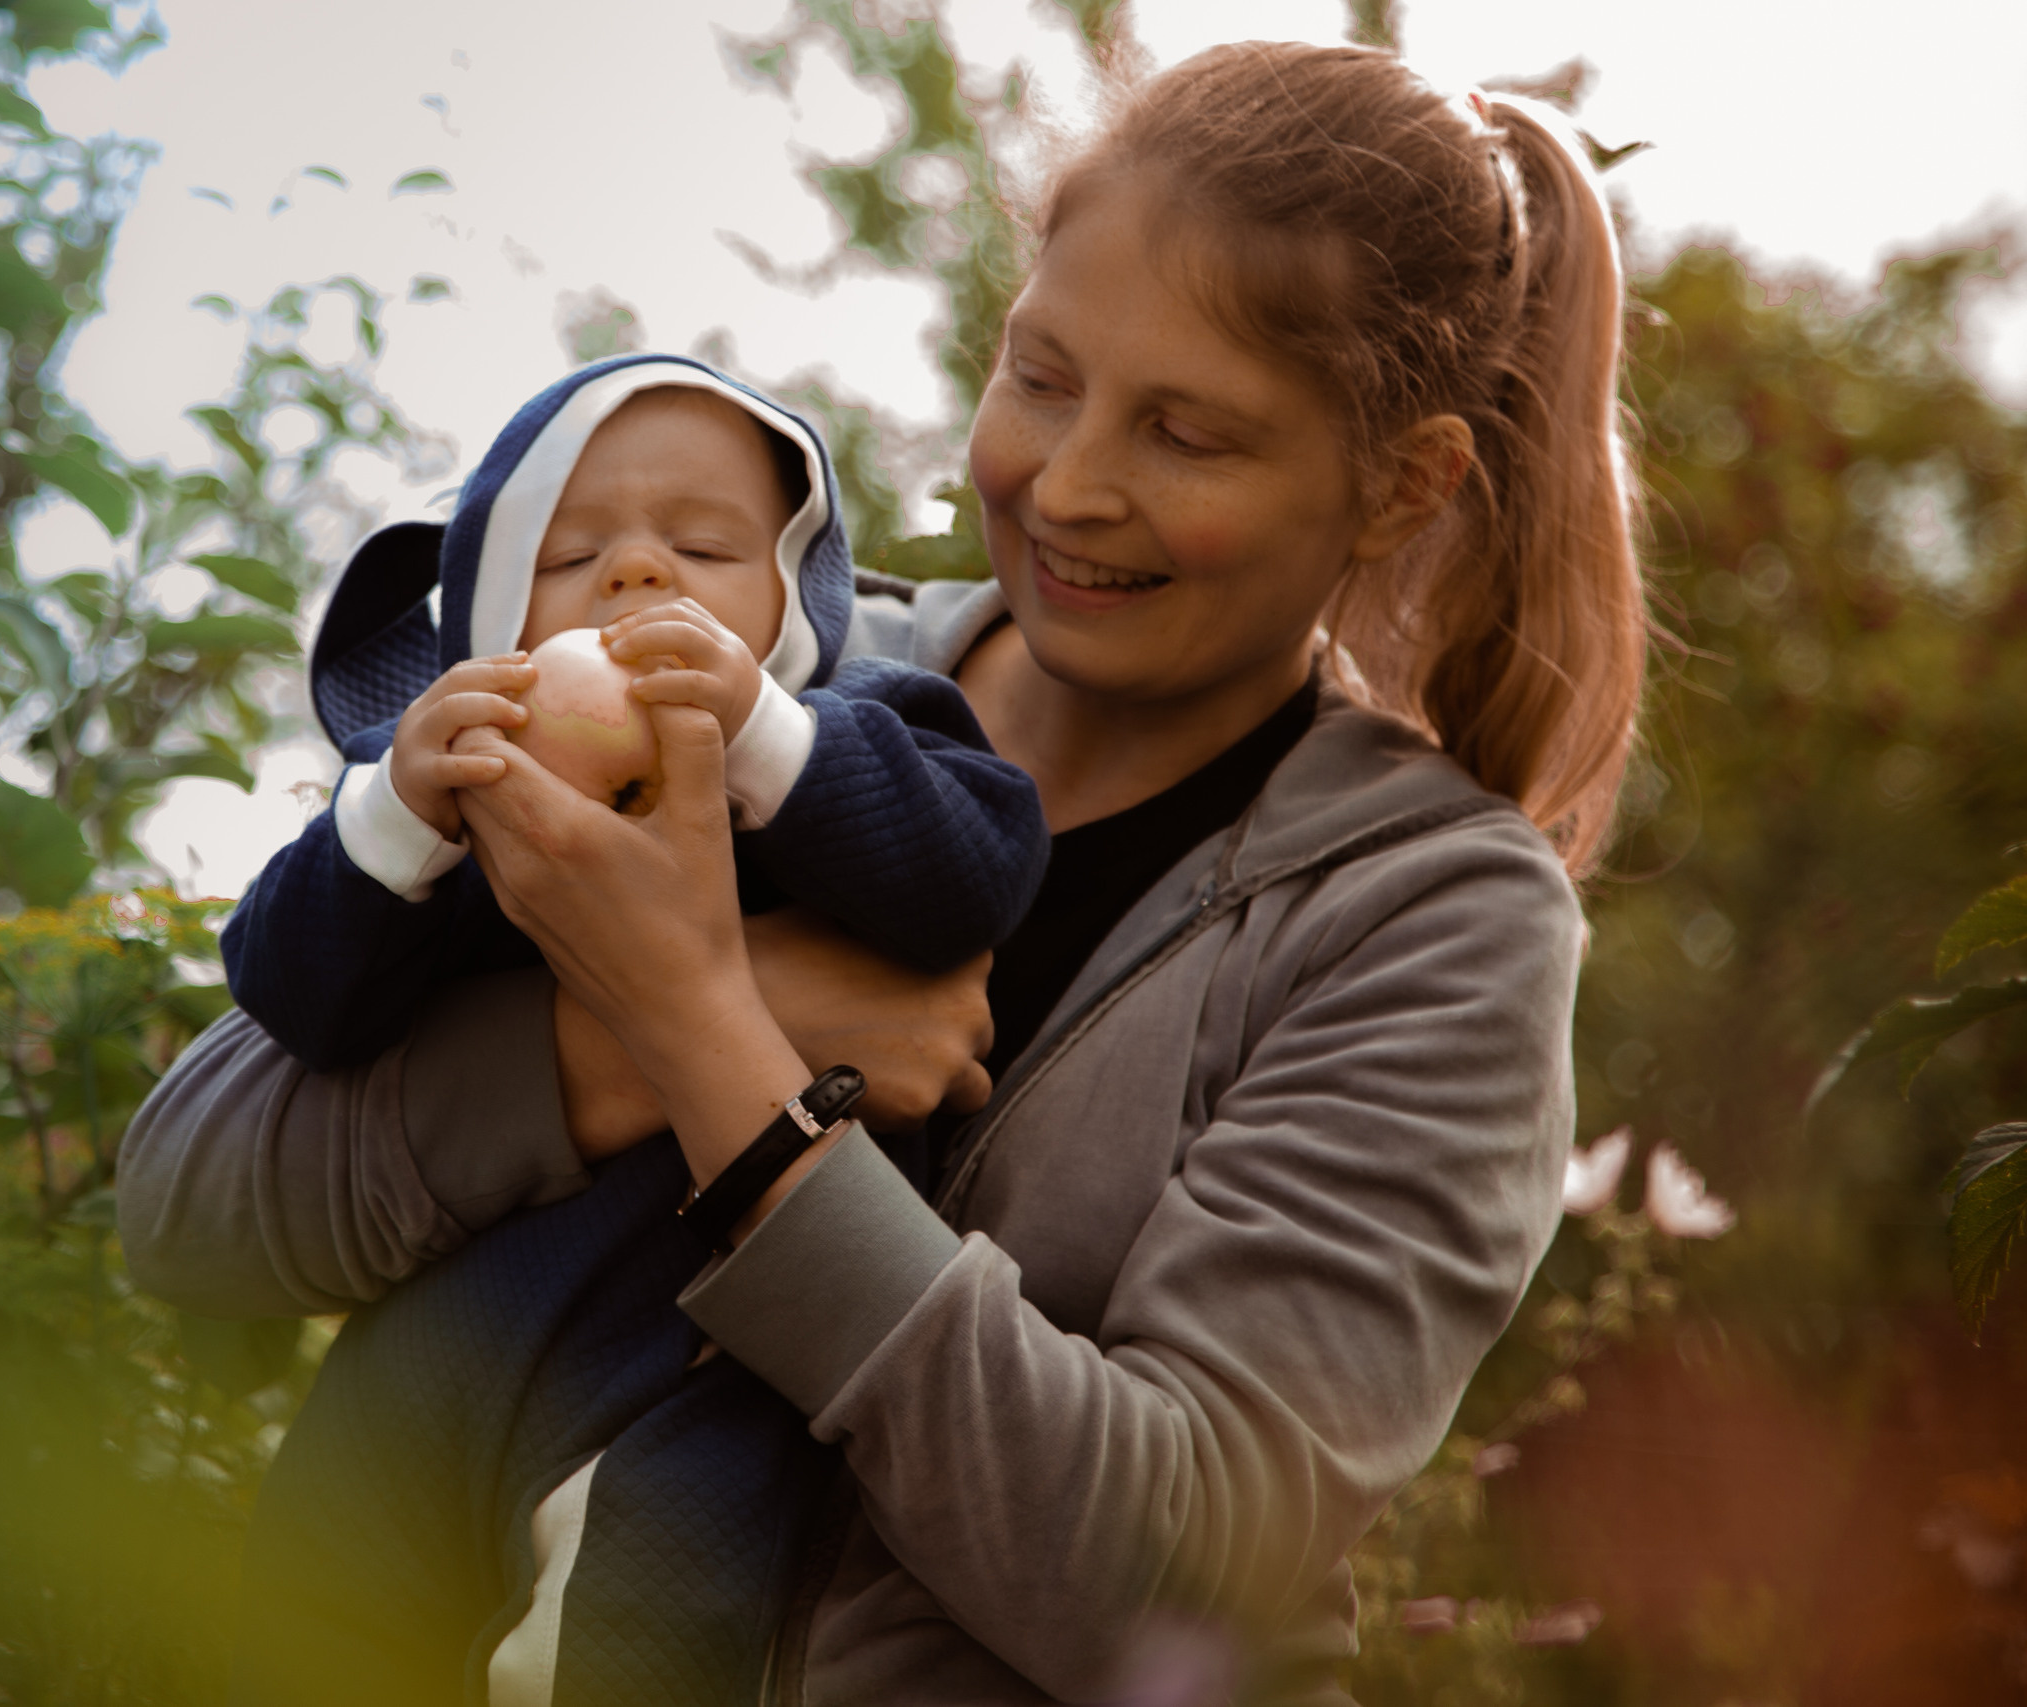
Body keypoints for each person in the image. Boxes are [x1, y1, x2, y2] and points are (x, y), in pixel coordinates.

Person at [121, 39, 1647, 1707]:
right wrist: (640, 1033)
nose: (1070, 484)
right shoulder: (775, 680)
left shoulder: (1434, 917)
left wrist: (717, 1046)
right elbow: (189, 1201)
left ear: (1402, 485)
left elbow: (1169, 1585)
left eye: (1189, 433)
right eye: (1041, 375)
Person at [219, 355, 1048, 1076]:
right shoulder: (449, 785)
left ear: (794, 600)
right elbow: (291, 1002)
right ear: (489, 623)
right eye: (570, 557)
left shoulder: (861, 722)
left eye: (704, 548)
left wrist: (767, 739)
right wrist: (395, 821)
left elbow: (988, 878)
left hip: (815, 1207)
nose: (638, 568)